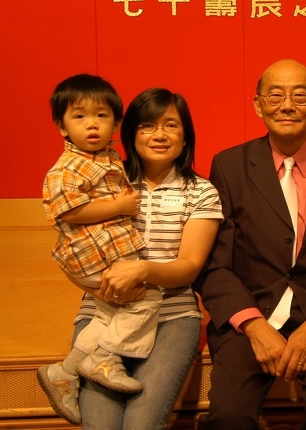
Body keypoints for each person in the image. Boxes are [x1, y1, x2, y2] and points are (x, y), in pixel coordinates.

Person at [194, 59, 306, 429]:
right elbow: (215, 263)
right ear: (258, 105)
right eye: (275, 96)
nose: (287, 105)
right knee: (228, 417)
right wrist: (253, 325)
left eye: (299, 96)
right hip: (250, 313)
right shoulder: (229, 166)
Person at [68, 87, 222, 429]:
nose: (159, 135)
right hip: (104, 311)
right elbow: (74, 239)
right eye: (148, 126)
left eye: (171, 125)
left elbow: (189, 267)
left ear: (186, 135)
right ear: (131, 134)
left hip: (171, 316)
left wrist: (141, 270)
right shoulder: (106, 184)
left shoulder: (201, 192)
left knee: (142, 424)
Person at [39, 74, 158, 424]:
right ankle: (104, 357)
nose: (92, 124)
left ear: (117, 123)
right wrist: (119, 206)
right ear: (62, 126)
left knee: (107, 314)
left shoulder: (105, 157)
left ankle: (65, 372)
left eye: (101, 115)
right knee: (146, 299)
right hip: (95, 255)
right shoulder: (68, 167)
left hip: (108, 250)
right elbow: (69, 211)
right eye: (79, 116)